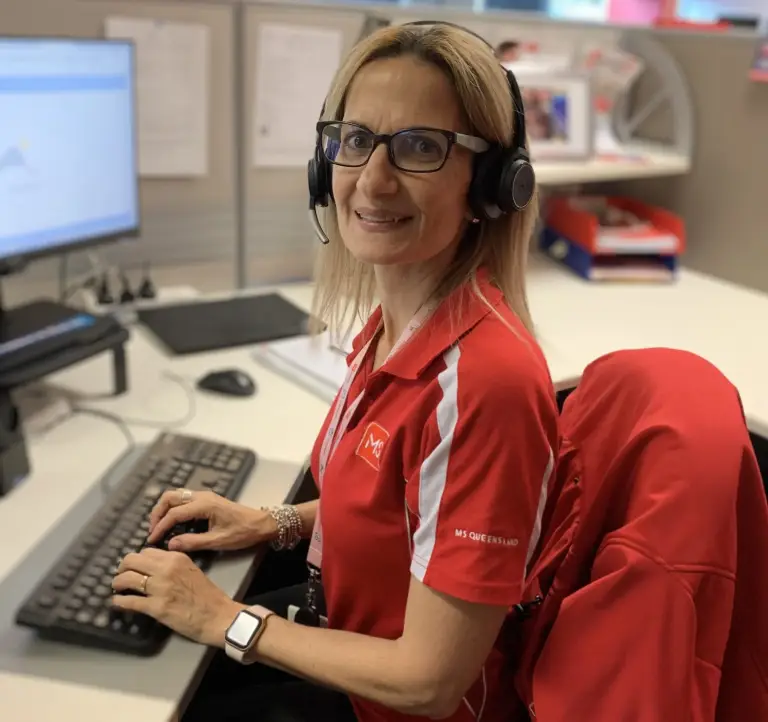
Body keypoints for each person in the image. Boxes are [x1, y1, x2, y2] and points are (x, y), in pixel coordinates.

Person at [110, 21, 559, 722]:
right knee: (131, 650)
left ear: (493, 183)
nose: (373, 180)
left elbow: (429, 682)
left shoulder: (482, 384)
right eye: (355, 141)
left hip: (384, 705)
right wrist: (270, 521)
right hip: (342, 633)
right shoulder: (396, 329)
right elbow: (402, 512)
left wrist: (225, 620)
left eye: (419, 147)